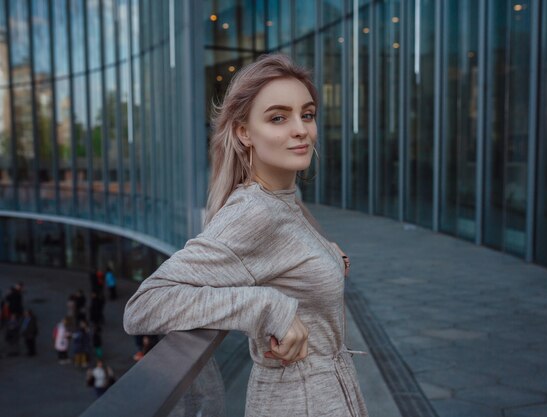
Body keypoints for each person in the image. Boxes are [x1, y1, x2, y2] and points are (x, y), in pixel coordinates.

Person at [124, 54, 367, 417]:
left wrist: (326, 254)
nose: (301, 129)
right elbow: (144, 306)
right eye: (278, 118)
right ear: (244, 132)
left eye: (308, 114)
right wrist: (265, 306)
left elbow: (282, 251)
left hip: (324, 394)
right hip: (298, 403)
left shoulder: (284, 199)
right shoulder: (254, 213)